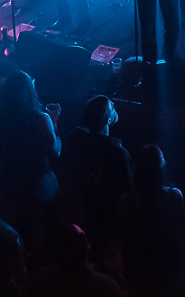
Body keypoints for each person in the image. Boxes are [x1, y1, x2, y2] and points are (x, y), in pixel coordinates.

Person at [59, 95, 133, 258]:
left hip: (79, 204)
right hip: (105, 213)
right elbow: (128, 191)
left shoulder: (75, 138)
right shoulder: (119, 154)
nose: (114, 109)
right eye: (112, 109)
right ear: (108, 120)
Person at [0, 70, 61, 245]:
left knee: (23, 215)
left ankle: (23, 252)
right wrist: (53, 122)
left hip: (14, 175)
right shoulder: (41, 119)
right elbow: (55, 152)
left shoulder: (2, 114)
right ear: (29, 91)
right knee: (51, 215)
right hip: (38, 180)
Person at [118, 144, 185, 296]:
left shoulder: (126, 200)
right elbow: (182, 226)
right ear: (162, 167)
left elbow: (122, 233)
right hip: (166, 259)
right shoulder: (175, 196)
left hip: (136, 260)